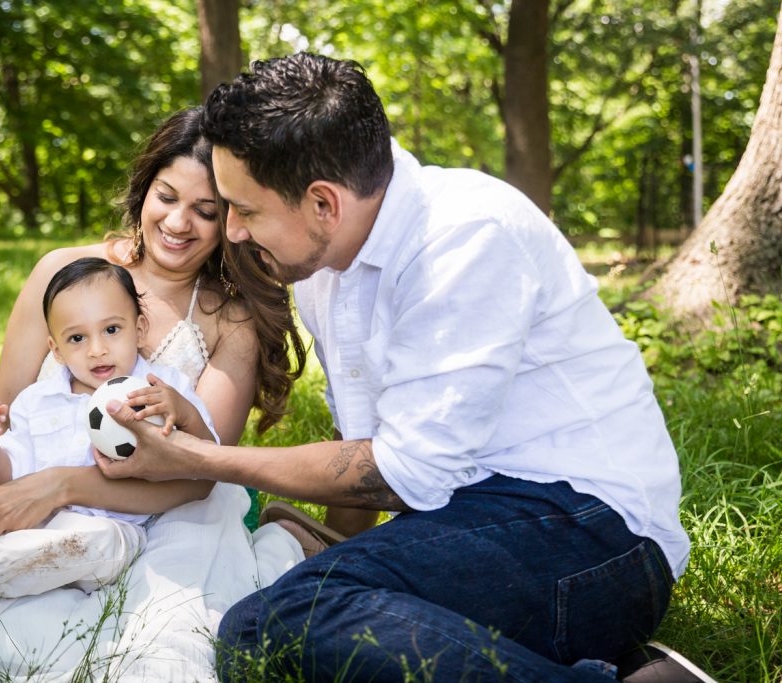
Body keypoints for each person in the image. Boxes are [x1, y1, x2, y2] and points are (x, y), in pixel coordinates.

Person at [95, 53, 713, 682]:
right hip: (474, 520)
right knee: (282, 619)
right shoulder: (323, 265)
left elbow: (398, 475)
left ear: (323, 204)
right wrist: (342, 555)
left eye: (245, 210)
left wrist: (198, 460)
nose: (232, 231)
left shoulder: (464, 236)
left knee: (272, 626)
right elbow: (363, 451)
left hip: (593, 534)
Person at [0, 108, 307, 682]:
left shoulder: (231, 318)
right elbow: (3, 413)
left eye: (207, 211)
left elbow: (202, 471)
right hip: (55, 503)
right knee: (6, 640)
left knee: (163, 640)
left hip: (174, 507)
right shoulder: (65, 272)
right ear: (144, 188)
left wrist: (63, 484)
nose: (179, 223)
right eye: (167, 197)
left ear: (232, 222)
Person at [0, 257, 218, 598]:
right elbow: (9, 478)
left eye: (111, 329)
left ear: (139, 328)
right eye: (76, 338)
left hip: (119, 527)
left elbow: (208, 459)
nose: (97, 349)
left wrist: (184, 413)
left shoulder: (161, 386)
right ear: (56, 351)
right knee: (35, 541)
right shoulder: (37, 401)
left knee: (99, 542)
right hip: (45, 523)